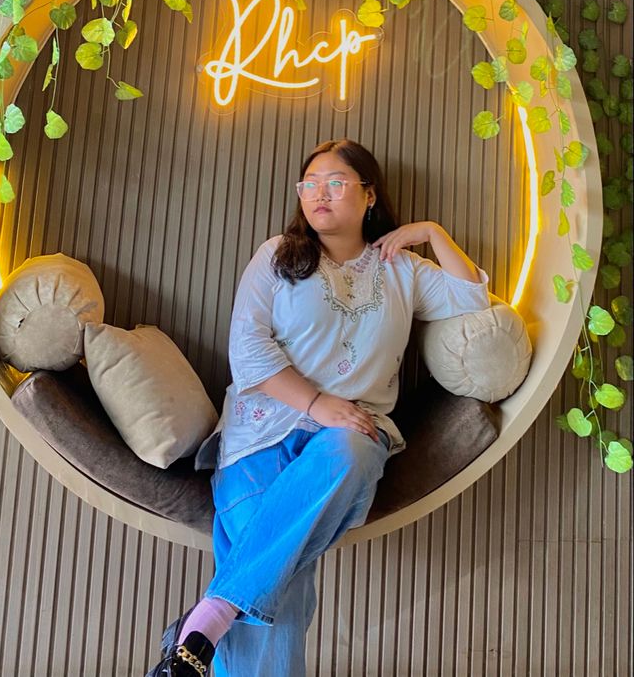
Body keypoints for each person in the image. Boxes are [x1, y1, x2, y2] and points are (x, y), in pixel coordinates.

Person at [147, 139, 490, 677]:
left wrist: (432, 234)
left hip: (348, 434)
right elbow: (248, 349)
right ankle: (209, 623)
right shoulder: (277, 255)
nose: (318, 195)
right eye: (309, 184)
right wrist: (315, 401)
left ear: (369, 195)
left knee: (353, 448)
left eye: (335, 182)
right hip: (259, 434)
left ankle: (208, 615)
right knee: (281, 589)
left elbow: (473, 300)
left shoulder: (402, 269)